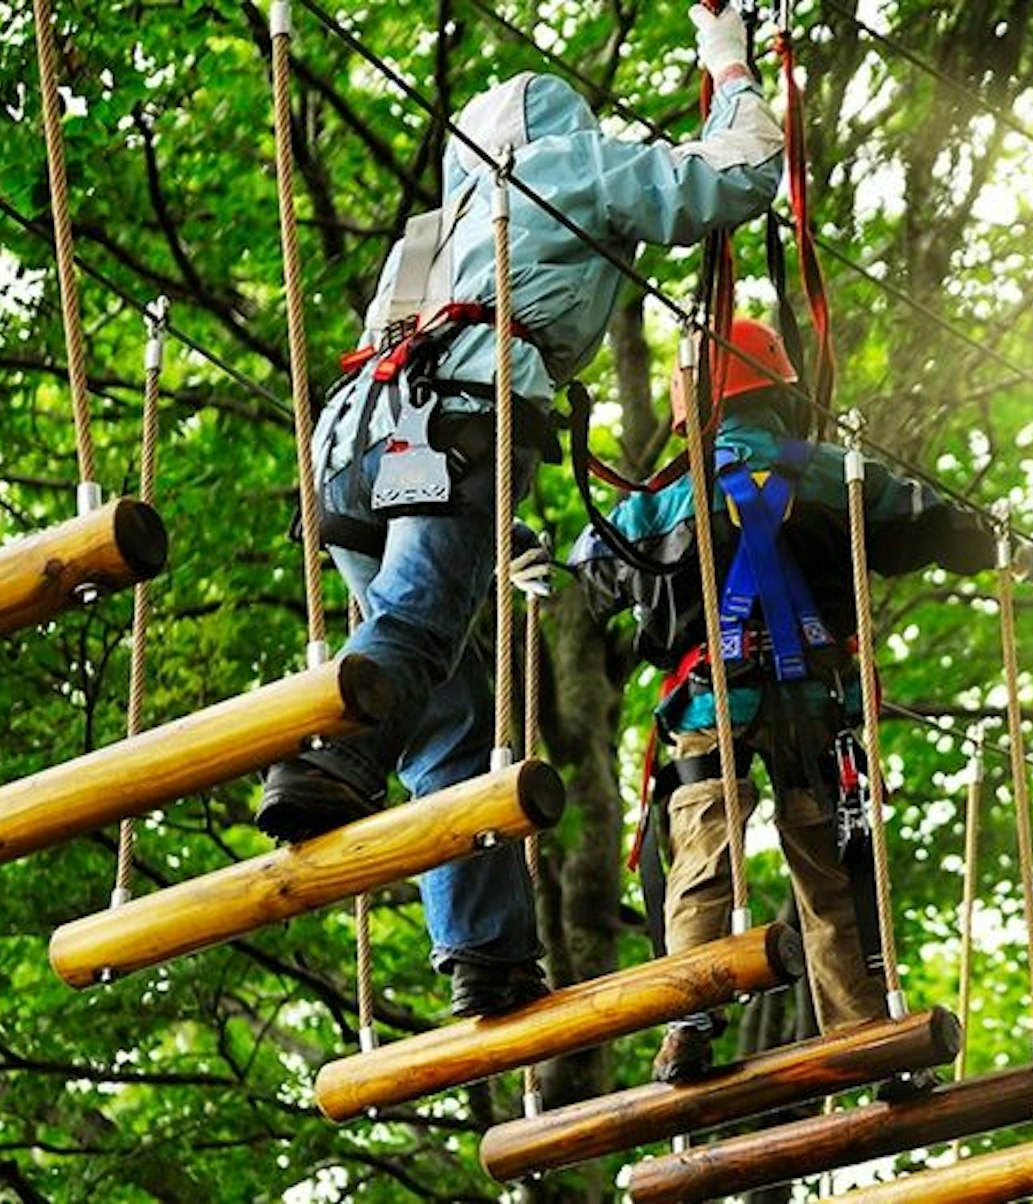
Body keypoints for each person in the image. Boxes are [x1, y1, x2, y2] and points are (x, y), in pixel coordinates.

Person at [254, 6, 785, 1019]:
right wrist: (727, 57)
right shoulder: (569, 167)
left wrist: (497, 531)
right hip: (456, 422)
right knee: (418, 620)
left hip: (350, 454)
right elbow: (740, 174)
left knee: (450, 712)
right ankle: (332, 754)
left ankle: (484, 953)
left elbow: (412, 381)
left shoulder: (433, 231)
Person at [568, 317, 1033, 1084]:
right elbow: (934, 526)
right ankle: (865, 1037)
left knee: (701, 861)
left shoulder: (657, 507)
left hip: (708, 708)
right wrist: (1012, 545)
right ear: (784, 396)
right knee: (833, 878)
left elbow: (591, 576)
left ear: (693, 411)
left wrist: (522, 558)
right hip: (817, 707)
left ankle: (687, 1020)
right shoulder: (839, 475)